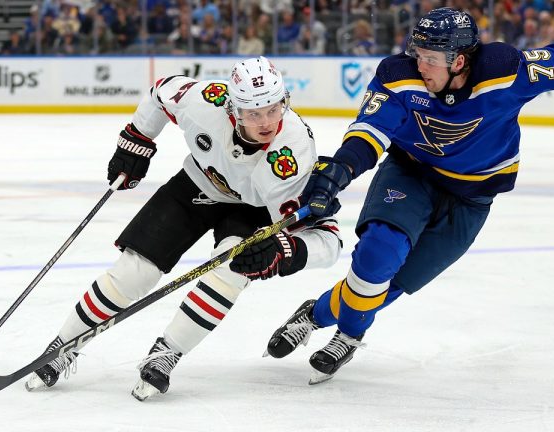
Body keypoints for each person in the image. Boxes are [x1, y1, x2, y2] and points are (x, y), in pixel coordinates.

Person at [264, 7, 554, 384]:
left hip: (473, 197)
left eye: (431, 59)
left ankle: (314, 314)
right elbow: (368, 132)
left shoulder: (504, 69)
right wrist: (339, 171)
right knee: (378, 252)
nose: (421, 65)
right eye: (418, 54)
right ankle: (350, 336)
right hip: (412, 173)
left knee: (391, 284)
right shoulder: (399, 76)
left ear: (460, 61)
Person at [23, 56, 342, 399]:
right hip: (195, 185)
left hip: (253, 210)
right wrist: (137, 141)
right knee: (135, 271)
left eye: (274, 109)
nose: (266, 122)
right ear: (232, 109)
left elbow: (326, 238)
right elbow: (160, 92)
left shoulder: (292, 154)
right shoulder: (205, 101)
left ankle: (167, 354)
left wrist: (285, 250)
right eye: (253, 113)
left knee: (229, 273)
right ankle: (63, 345)